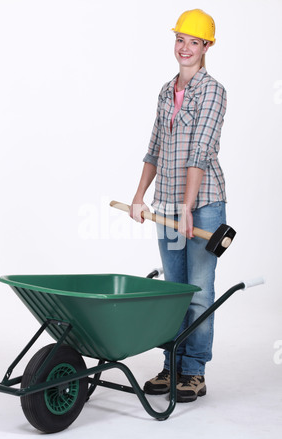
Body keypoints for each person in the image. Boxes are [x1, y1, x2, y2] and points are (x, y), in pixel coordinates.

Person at [129, 9, 227, 403]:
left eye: (194, 41)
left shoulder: (213, 91)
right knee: (173, 291)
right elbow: (154, 148)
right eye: (180, 39)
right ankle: (171, 366)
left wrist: (187, 208)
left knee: (199, 291)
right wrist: (139, 197)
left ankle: (193, 372)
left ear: (207, 47)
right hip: (166, 205)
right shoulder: (165, 91)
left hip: (203, 206)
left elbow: (200, 153)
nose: (185, 48)